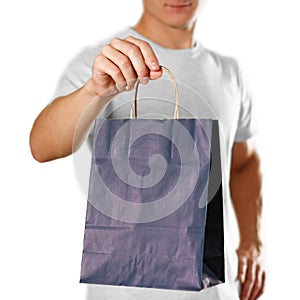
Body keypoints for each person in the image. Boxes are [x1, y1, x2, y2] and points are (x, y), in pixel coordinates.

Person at [29, 0, 265, 299]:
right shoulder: (105, 61)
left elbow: (244, 163)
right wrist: (96, 90)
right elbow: (42, 146)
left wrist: (252, 242)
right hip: (121, 290)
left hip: (215, 290)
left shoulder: (231, 73)